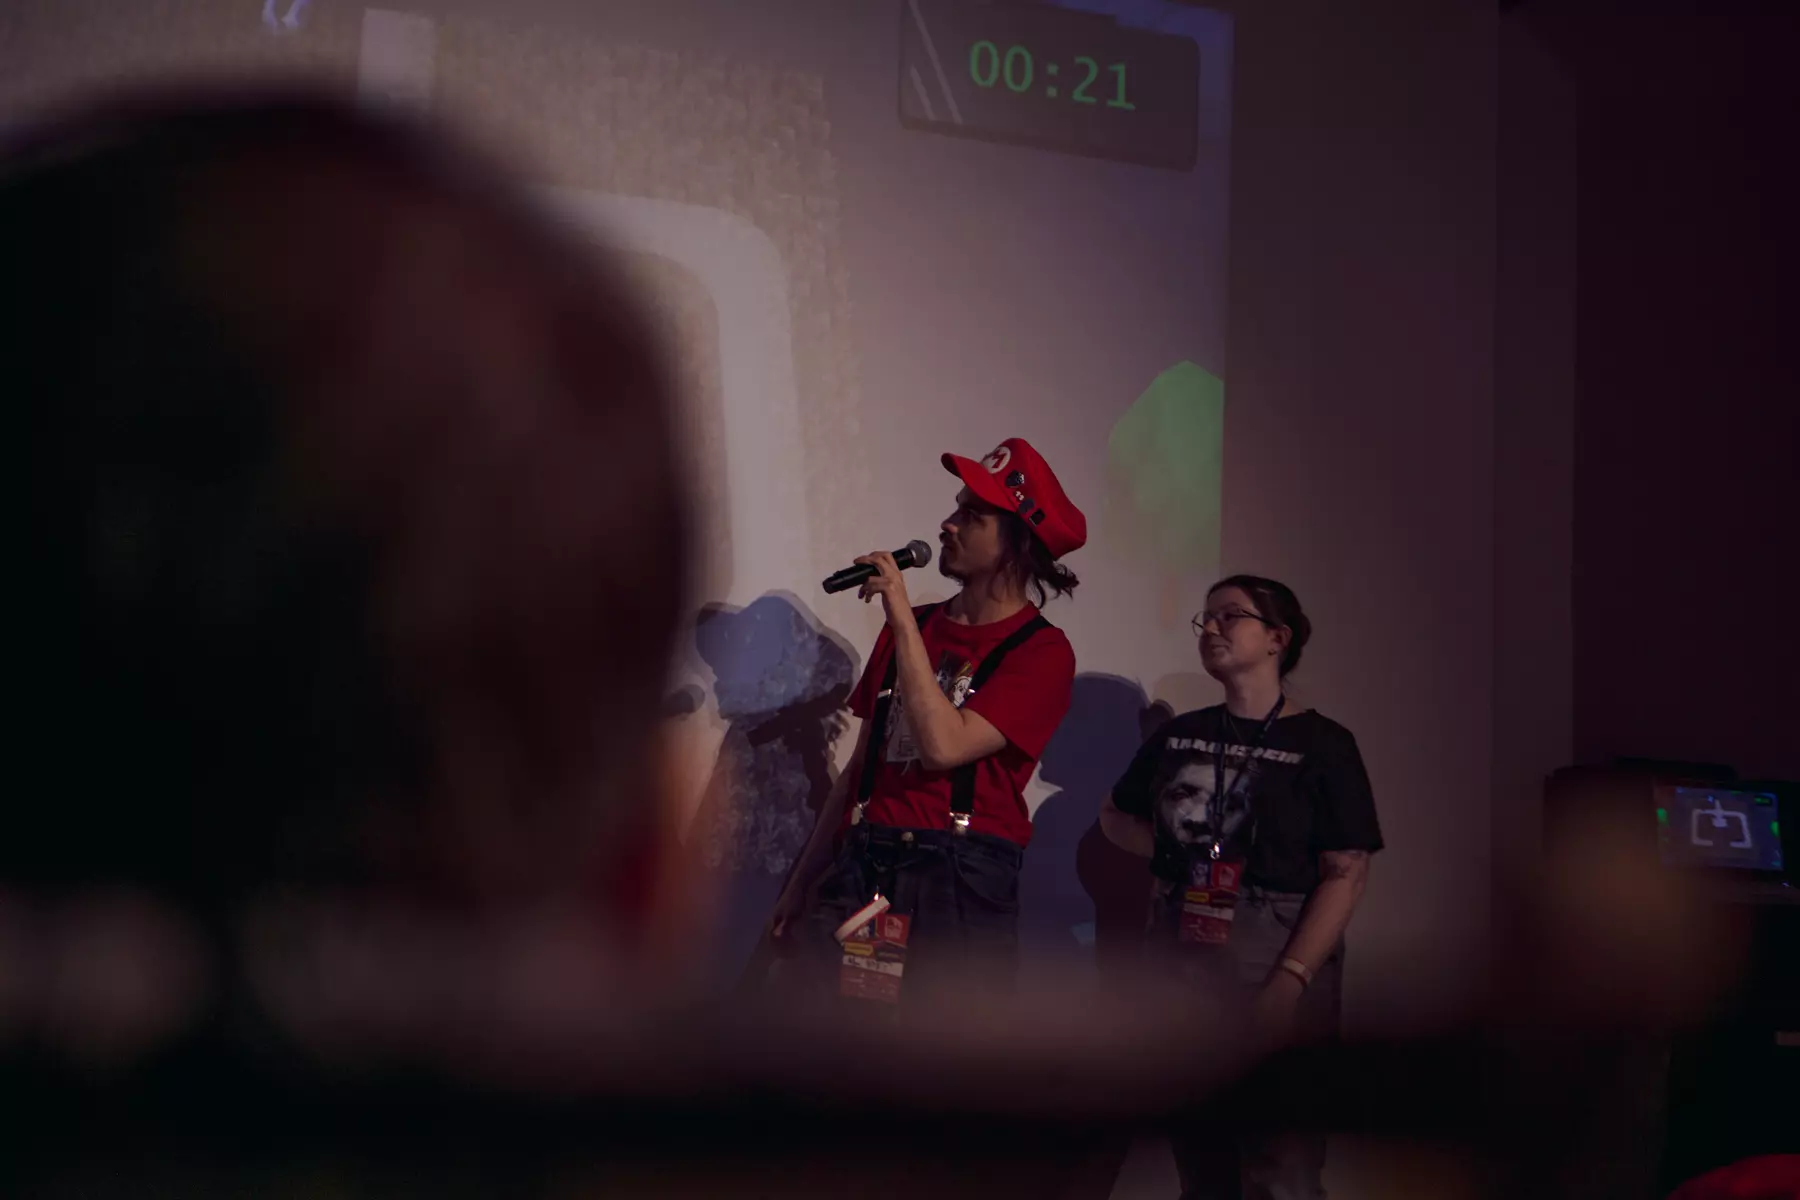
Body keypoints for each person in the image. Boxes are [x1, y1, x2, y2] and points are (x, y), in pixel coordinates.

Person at [767, 438, 1085, 1003]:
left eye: (972, 515)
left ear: (1017, 542)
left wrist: (901, 619)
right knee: (835, 1037)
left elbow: (943, 746)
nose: (947, 524)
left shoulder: (1043, 651)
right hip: (866, 863)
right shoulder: (913, 626)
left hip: (960, 875)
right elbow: (859, 768)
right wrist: (801, 883)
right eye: (956, 508)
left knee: (942, 1044)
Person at [1100, 575, 1384, 1200]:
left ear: (1278, 638)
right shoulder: (1180, 735)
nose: (1212, 629)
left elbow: (1347, 872)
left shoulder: (1325, 744)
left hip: (1274, 948)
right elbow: (1115, 815)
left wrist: (1289, 982)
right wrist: (1174, 853)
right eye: (1205, 619)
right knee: (1200, 1156)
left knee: (1280, 1160)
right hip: (1180, 953)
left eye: (1230, 616)